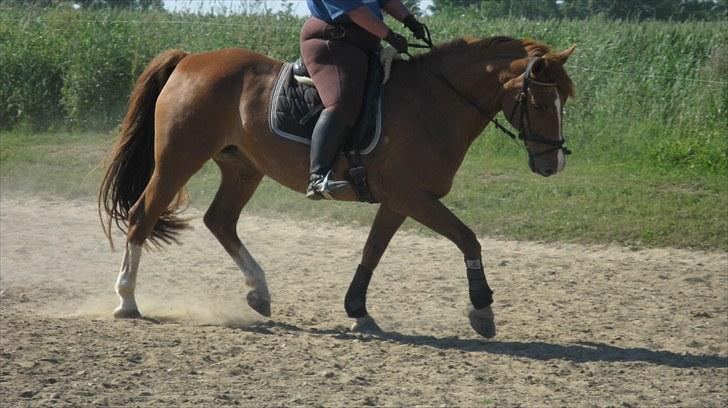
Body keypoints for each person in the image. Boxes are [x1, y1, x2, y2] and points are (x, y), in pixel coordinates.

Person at [301, 0, 428, 199]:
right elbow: (356, 11)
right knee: (341, 103)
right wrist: (390, 36)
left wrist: (409, 20)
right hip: (333, 42)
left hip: (365, 43)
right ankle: (318, 177)